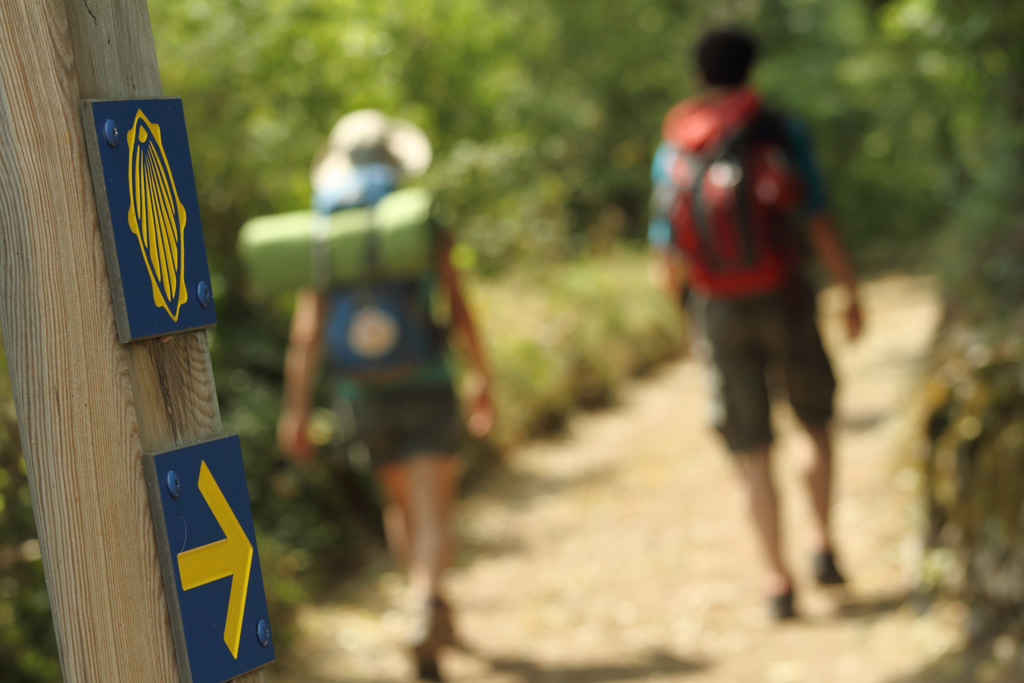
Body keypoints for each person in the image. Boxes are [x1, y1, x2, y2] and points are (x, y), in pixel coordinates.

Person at [649, 29, 863, 620]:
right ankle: (822, 542)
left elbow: (665, 248)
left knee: (751, 448)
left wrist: (687, 320)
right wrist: (849, 290)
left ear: (698, 75)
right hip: (786, 294)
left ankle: (776, 578)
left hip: (716, 304)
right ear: (752, 68)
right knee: (813, 421)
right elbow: (814, 214)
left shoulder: (677, 142)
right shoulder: (776, 128)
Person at [277, 110, 494, 680]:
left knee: (401, 506)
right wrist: (482, 376)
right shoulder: (417, 220)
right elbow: (457, 303)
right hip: (424, 381)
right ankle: (424, 602)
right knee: (432, 510)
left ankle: (428, 603)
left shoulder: (325, 229)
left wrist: (295, 411)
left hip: (360, 393)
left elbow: (307, 333)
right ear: (396, 163)